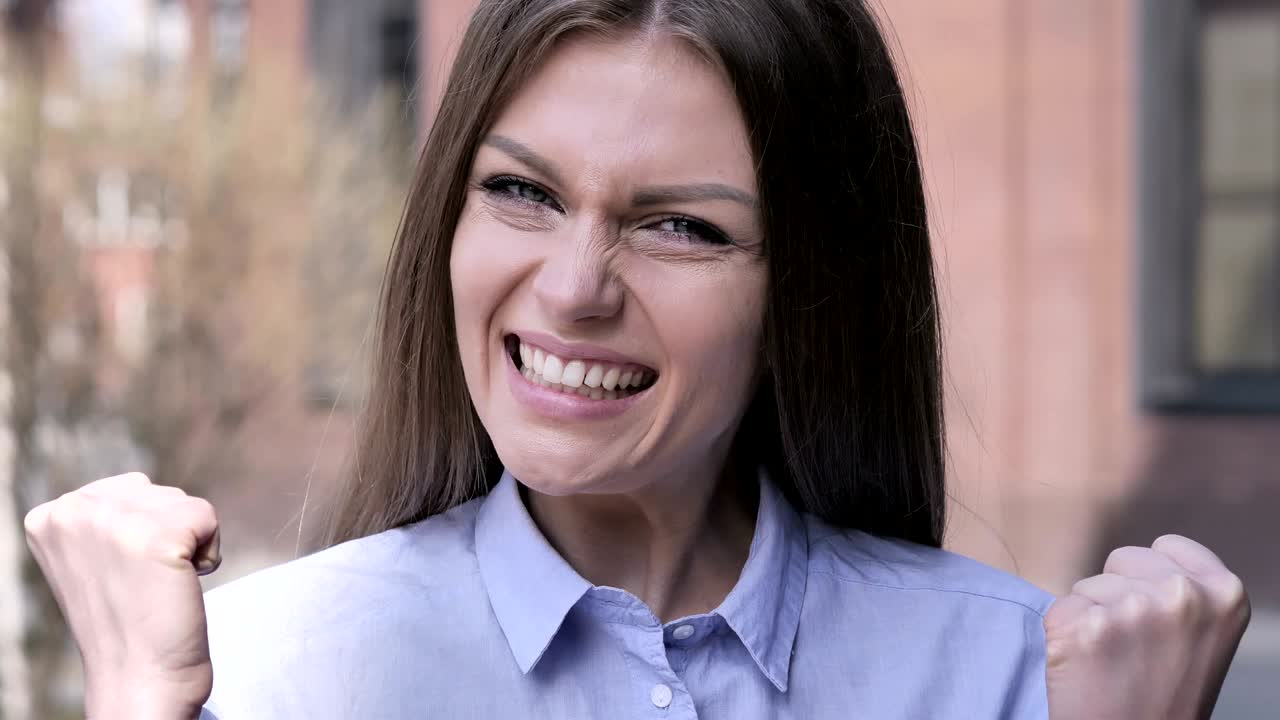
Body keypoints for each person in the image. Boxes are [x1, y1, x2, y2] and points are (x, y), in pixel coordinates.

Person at [25, 0, 1251, 718]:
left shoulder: (1007, 677)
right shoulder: (256, 673)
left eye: (679, 227)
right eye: (520, 191)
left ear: (810, 291)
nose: (570, 288)